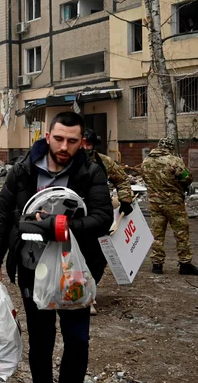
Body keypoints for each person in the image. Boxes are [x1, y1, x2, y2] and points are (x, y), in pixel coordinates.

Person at [0, 112, 113, 383]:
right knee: (41, 340)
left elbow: (103, 218)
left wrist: (61, 226)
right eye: (58, 139)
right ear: (47, 136)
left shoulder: (91, 172)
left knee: (77, 340)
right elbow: (4, 216)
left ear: (82, 142)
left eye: (72, 140)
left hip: (75, 269)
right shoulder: (23, 170)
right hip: (32, 267)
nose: (64, 147)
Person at [82, 130, 134, 315]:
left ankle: (89, 291)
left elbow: (122, 180)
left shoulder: (103, 161)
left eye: (88, 144)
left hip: (100, 216)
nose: (85, 148)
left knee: (98, 258)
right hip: (76, 218)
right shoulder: (67, 162)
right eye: (82, 143)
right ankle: (82, 296)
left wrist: (125, 200)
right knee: (76, 257)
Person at [141, 137, 198, 275]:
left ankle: (157, 265)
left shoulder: (146, 161)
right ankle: (185, 264)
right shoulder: (174, 160)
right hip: (173, 203)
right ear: (170, 148)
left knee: (157, 234)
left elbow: (145, 179)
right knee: (181, 234)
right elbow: (187, 177)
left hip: (155, 203)